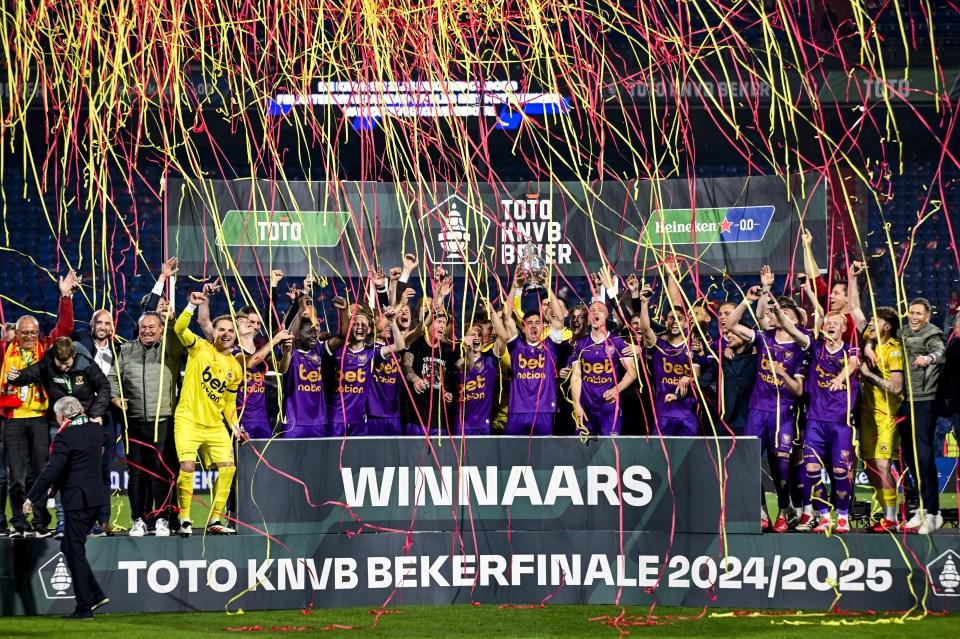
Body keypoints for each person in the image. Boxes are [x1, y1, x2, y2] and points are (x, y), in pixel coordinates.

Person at [6, 337, 112, 538]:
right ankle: (64, 520)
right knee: (62, 473)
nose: (63, 368)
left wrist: (97, 412)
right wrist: (16, 377)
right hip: (60, 425)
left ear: (73, 356)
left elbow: (105, 387)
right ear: (53, 358)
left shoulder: (86, 364)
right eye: (60, 364)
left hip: (88, 424)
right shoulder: (48, 362)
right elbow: (32, 373)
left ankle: (90, 521)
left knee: (90, 473)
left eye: (67, 363)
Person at [0, 270, 78, 538]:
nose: (30, 336)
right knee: (16, 476)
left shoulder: (45, 346)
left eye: (33, 331)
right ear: (16, 334)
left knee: (41, 474)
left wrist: (65, 296)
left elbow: (65, 328)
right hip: (12, 420)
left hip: (39, 419)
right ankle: (19, 523)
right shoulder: (4, 350)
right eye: (25, 332)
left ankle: (40, 522)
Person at [774, 298, 859, 535]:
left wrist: (840, 379)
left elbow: (852, 364)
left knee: (841, 471)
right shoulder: (815, 346)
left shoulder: (850, 347)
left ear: (843, 327)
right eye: (827, 322)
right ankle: (823, 516)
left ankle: (842, 516)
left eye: (836, 322)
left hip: (840, 423)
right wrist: (777, 307)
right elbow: (792, 329)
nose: (831, 325)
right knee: (811, 468)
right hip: (815, 420)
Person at [727, 288, 808, 532]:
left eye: (784, 312)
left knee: (781, 464)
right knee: (746, 460)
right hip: (758, 409)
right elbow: (731, 324)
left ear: (794, 319)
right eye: (776, 311)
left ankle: (785, 510)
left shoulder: (802, 344)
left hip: (783, 411)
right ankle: (761, 510)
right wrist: (747, 300)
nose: (776, 314)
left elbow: (798, 390)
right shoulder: (764, 337)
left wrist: (781, 373)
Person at [24, 397, 108, 619]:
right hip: (96, 499)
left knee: (74, 551)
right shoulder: (96, 430)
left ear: (62, 416)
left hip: (77, 501)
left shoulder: (64, 437)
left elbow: (51, 470)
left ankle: (84, 607)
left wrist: (32, 498)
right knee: (71, 548)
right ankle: (95, 594)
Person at [173, 292, 246, 536]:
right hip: (188, 420)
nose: (226, 334)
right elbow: (179, 328)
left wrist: (235, 426)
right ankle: (184, 517)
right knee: (187, 466)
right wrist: (191, 305)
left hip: (215, 426)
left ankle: (215, 519)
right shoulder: (199, 348)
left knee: (228, 468)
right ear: (213, 333)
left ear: (235, 336)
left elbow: (229, 402)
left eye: (230, 331)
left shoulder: (236, 368)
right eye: (221, 329)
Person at [109, 311, 183, 538]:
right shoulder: (126, 349)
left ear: (161, 330)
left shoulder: (169, 350)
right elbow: (113, 377)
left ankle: (161, 518)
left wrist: (171, 320)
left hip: (162, 421)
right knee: (137, 473)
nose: (148, 331)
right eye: (144, 327)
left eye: (153, 327)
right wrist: (115, 397)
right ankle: (138, 519)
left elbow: (175, 333)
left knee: (161, 472)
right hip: (134, 421)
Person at [886, 298, 946, 534]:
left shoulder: (933, 334)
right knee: (909, 456)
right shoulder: (903, 332)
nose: (914, 316)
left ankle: (934, 512)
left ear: (927, 316)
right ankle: (921, 508)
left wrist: (928, 359)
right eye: (911, 312)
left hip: (924, 401)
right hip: (905, 401)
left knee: (923, 455)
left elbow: (940, 353)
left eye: (919, 313)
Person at [489, 269, 566, 436]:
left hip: (544, 411)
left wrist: (547, 286)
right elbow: (507, 317)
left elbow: (559, 319)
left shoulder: (550, 347)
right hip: (518, 410)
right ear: (523, 327)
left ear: (543, 327)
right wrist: (515, 287)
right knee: (513, 456)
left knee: (544, 457)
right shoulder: (516, 346)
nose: (533, 326)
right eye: (529, 323)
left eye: (537, 322)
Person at [858, 307, 904, 532]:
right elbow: (856, 310)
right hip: (866, 413)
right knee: (869, 466)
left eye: (875, 321)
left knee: (883, 464)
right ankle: (885, 513)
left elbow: (896, 388)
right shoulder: (871, 340)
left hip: (886, 414)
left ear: (886, 327)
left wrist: (870, 376)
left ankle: (892, 518)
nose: (870, 325)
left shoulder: (894, 351)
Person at [635, 284, 701, 435]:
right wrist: (644, 303)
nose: (675, 321)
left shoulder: (695, 346)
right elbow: (645, 329)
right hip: (663, 414)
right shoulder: (659, 345)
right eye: (671, 318)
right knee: (659, 457)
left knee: (687, 458)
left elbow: (697, 376)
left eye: (680, 318)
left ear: (686, 322)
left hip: (688, 415)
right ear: (666, 322)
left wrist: (688, 378)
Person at [569, 300, 637, 436]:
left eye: (599, 310)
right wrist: (576, 404)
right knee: (582, 452)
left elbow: (632, 372)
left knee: (610, 451)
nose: (594, 312)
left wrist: (617, 389)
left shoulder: (617, 342)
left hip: (609, 409)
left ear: (606, 316)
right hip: (586, 409)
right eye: (591, 310)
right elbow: (576, 376)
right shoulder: (580, 344)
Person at [454, 322, 501, 436]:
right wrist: (468, 349)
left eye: (479, 335)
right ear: (464, 339)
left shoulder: (490, 360)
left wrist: (498, 320)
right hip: (462, 425)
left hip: (483, 425)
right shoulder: (457, 361)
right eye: (472, 335)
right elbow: (468, 366)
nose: (476, 337)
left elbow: (503, 338)